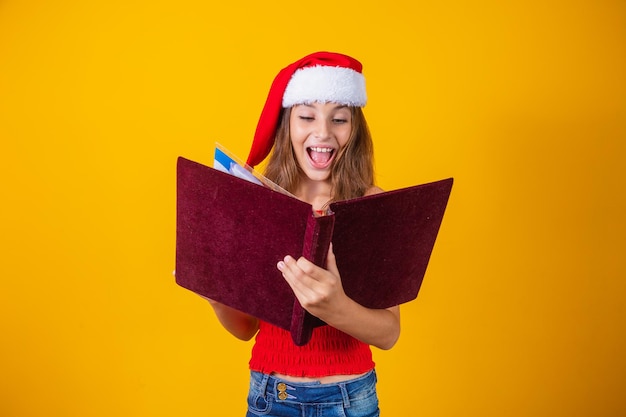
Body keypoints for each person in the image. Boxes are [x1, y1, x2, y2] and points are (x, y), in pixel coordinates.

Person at [207, 51, 400, 417]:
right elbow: (246, 329)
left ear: (354, 128)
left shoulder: (371, 204)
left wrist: (336, 308)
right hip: (269, 396)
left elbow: (389, 333)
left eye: (339, 119)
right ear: (287, 124)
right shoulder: (258, 201)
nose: (323, 133)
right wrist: (216, 296)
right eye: (307, 116)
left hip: (349, 400)